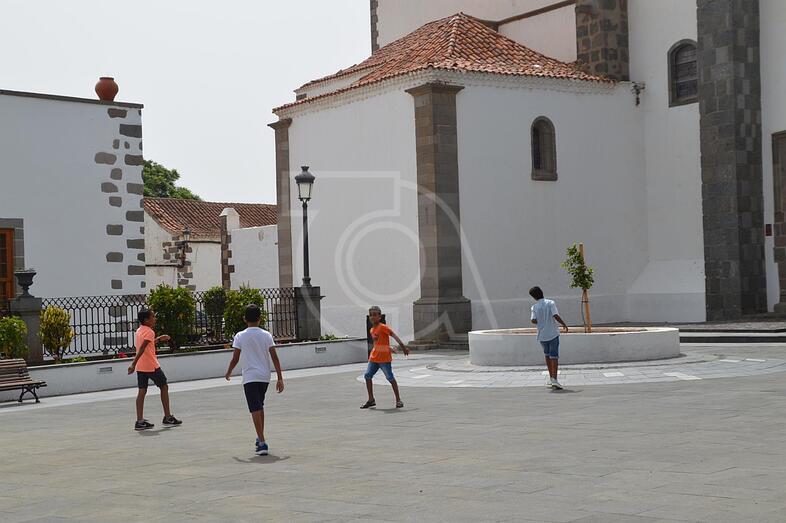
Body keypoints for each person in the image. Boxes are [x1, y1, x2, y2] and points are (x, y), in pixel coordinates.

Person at [225, 304, 284, 456]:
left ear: (244, 319)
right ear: (260, 318)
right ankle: (260, 436)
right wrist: (280, 378)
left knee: (254, 408)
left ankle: (262, 442)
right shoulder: (266, 335)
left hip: (250, 377)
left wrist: (229, 371)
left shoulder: (240, 336)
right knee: (259, 406)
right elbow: (275, 357)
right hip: (264, 377)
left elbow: (235, 358)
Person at [128, 309, 182, 430]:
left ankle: (139, 421)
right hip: (151, 366)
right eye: (153, 317)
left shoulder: (139, 330)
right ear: (146, 320)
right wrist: (132, 364)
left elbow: (147, 344)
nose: (155, 319)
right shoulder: (150, 332)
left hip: (141, 366)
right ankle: (168, 417)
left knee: (142, 391)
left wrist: (159, 339)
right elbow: (142, 348)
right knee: (164, 386)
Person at [361, 306, 410, 409]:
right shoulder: (372, 330)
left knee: (390, 378)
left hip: (384, 359)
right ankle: (371, 399)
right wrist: (388, 347)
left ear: (379, 317)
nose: (372, 317)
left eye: (375, 315)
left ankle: (398, 400)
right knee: (367, 376)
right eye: (371, 315)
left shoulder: (383, 327)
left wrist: (403, 347)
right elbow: (378, 343)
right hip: (374, 358)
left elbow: (394, 335)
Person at [529, 286, 569, 389]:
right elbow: (555, 315)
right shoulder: (550, 303)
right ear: (542, 292)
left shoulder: (534, 307)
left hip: (542, 335)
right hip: (552, 334)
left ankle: (551, 378)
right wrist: (563, 324)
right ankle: (555, 380)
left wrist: (541, 321)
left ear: (533, 297)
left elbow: (533, 320)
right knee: (554, 356)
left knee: (547, 356)